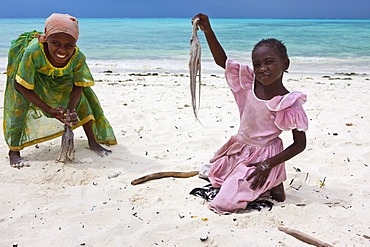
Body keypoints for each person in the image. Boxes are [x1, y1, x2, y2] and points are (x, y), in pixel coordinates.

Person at [193, 13, 308, 214]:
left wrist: (267, 165)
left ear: (285, 64)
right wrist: (208, 31)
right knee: (215, 177)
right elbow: (224, 61)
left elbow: (300, 144)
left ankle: (274, 178)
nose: (262, 69)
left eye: (269, 62)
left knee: (224, 202)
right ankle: (270, 182)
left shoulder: (288, 103)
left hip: (264, 156)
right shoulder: (248, 83)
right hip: (240, 148)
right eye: (257, 64)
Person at [3, 13, 117, 168]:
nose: (62, 50)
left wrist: (70, 110)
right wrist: (48, 109)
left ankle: (93, 142)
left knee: (83, 101)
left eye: (69, 45)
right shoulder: (33, 52)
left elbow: (79, 84)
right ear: (46, 39)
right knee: (19, 107)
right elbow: (20, 85)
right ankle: (14, 152)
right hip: (30, 79)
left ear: (75, 44)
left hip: (61, 78)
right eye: (55, 43)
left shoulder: (77, 57)